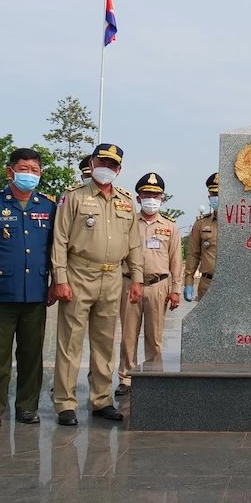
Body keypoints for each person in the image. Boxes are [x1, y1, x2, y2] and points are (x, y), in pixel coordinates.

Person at [51, 142, 144, 427]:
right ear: (92, 163)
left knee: (105, 343)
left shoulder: (126, 201)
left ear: (120, 169)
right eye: (102, 162)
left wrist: (137, 278)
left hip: (113, 277)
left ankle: (101, 399)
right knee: (70, 342)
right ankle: (65, 403)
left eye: (113, 165)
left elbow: (134, 244)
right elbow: (60, 240)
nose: (107, 168)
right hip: (80, 274)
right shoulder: (74, 197)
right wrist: (60, 279)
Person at [0, 147, 57, 428]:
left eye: (34, 170)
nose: (29, 175)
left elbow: (57, 247)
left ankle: (27, 406)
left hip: (35, 291)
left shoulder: (48, 205)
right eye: (23, 169)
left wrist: (56, 282)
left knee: (32, 354)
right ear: (10, 171)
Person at [115, 172, 183, 396]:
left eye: (155, 195)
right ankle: (126, 379)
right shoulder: (127, 222)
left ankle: (153, 375)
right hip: (129, 284)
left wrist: (175, 290)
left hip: (158, 286)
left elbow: (176, 261)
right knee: (128, 335)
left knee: (154, 337)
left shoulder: (170, 227)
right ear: (138, 198)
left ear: (162, 198)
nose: (151, 198)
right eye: (146, 194)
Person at [184, 173, 219, 302]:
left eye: (220, 194)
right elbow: (193, 254)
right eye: (214, 195)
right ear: (209, 197)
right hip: (207, 283)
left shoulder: (240, 224)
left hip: (234, 284)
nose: (217, 198)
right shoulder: (201, 224)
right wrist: (188, 282)